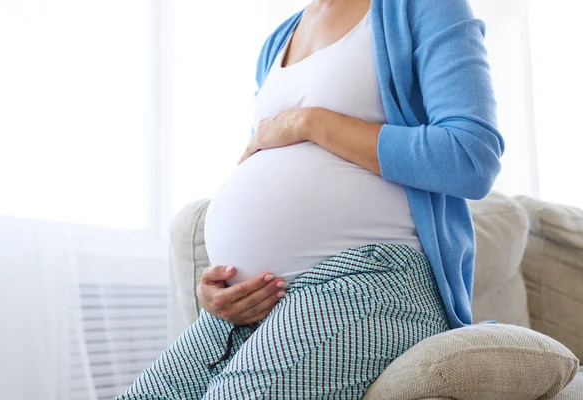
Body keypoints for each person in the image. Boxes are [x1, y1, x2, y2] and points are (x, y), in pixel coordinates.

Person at [117, 0, 504, 398]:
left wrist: (310, 121)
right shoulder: (278, 40)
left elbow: (470, 157)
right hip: (259, 300)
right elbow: (268, 158)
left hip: (372, 278)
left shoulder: (420, 8)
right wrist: (221, 287)